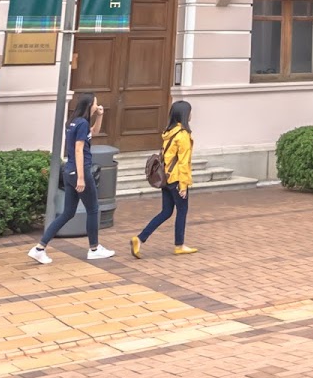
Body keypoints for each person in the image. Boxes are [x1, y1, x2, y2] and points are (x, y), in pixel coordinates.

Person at [30, 92, 114, 263]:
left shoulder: (74, 122)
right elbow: (78, 149)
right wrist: (82, 177)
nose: (97, 106)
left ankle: (40, 247)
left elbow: (93, 133)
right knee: (93, 209)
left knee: (68, 212)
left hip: (69, 171)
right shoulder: (81, 123)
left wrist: (100, 116)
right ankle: (94, 248)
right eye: (95, 103)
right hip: (79, 171)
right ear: (89, 105)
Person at [132, 100, 195, 257]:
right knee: (182, 211)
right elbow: (183, 162)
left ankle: (140, 239)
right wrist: (183, 185)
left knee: (166, 211)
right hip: (176, 179)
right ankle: (179, 245)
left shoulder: (169, 133)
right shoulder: (183, 135)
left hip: (165, 178)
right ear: (185, 115)